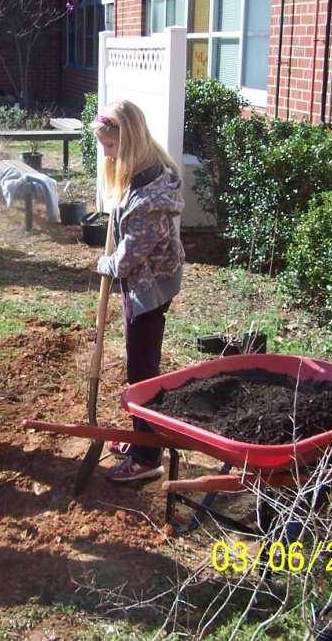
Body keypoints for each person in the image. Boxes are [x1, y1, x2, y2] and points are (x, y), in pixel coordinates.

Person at [89, 100, 185, 483]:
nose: (107, 155)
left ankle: (148, 458)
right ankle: (140, 436)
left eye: (110, 147)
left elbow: (126, 260)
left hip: (148, 288)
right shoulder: (143, 174)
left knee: (142, 371)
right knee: (140, 366)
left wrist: (104, 265)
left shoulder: (148, 199)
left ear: (127, 143)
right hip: (148, 282)